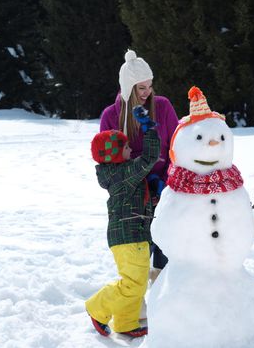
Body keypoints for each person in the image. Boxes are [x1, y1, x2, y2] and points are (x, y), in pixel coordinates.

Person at [100, 49, 179, 274]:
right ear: (128, 88)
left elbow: (176, 149)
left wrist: (165, 181)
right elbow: (110, 166)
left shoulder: (162, 107)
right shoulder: (110, 117)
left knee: (167, 253)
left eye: (150, 86)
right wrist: (140, 184)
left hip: (164, 191)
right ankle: (136, 302)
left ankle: (164, 299)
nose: (148, 92)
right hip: (132, 198)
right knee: (138, 260)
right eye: (141, 88)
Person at [86, 107, 160, 337]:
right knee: (132, 284)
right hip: (130, 237)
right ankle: (97, 309)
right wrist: (149, 130)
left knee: (134, 283)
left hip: (130, 236)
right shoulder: (124, 173)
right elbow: (149, 158)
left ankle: (126, 324)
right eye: (126, 147)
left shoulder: (118, 174)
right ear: (114, 155)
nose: (131, 150)